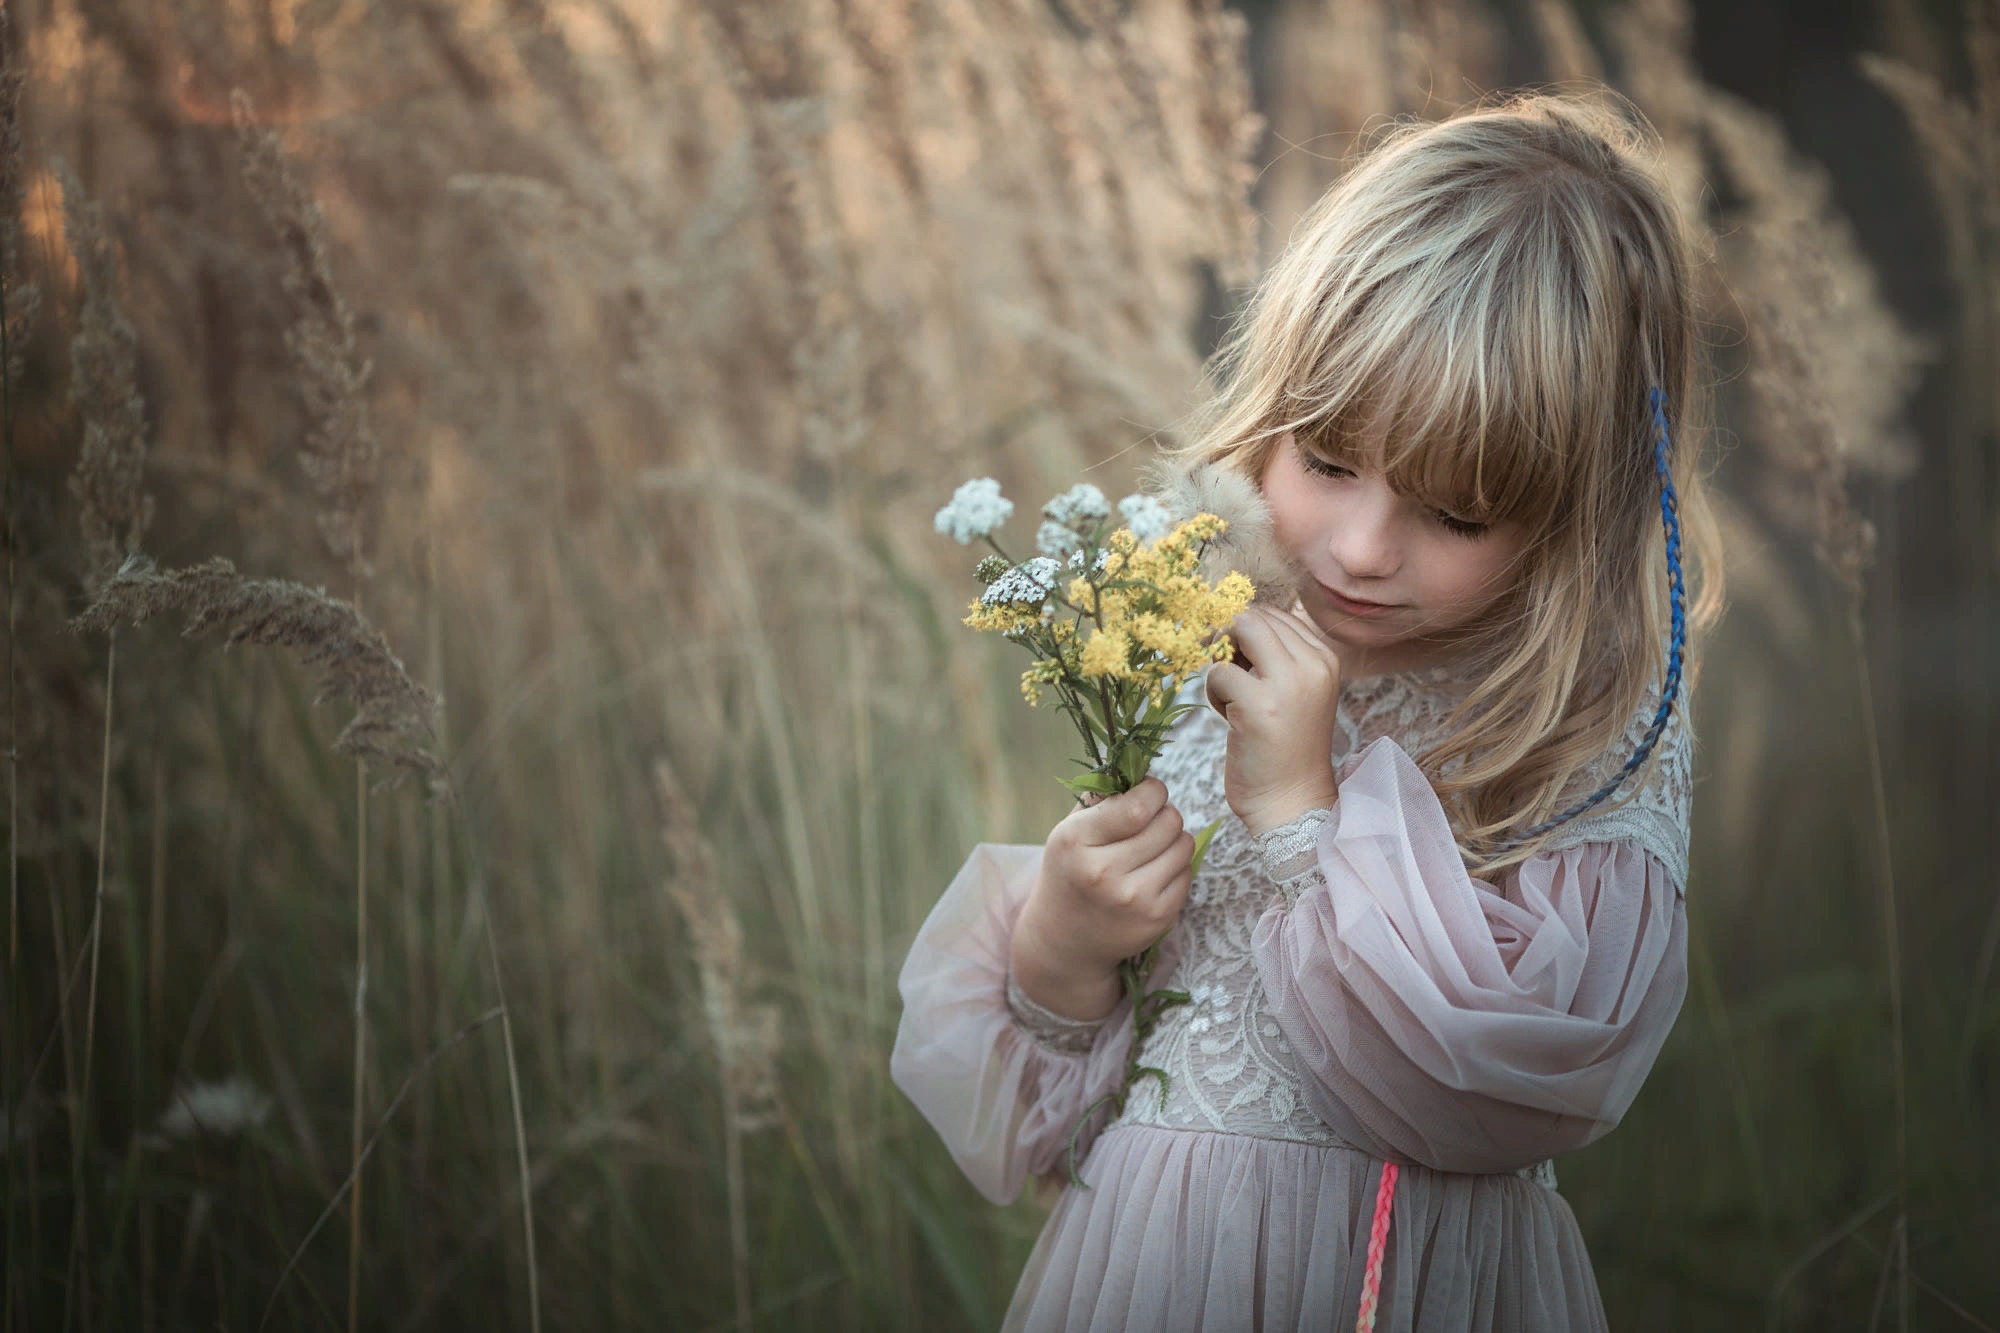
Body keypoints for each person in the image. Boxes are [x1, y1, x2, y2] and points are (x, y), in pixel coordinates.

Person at [890, 89, 1725, 1332]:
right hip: (1152, 1277)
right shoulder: (1201, 647)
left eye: (1455, 514)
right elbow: (1056, 1134)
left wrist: (1298, 816)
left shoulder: (1581, 734)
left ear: (1574, 516)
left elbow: (1499, 1092)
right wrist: (1064, 951)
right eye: (1327, 460)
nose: (1358, 547)